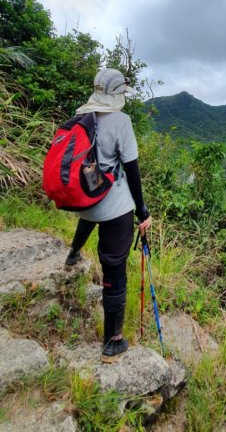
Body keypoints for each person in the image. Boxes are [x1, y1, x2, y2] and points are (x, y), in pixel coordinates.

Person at [65, 68, 151, 362]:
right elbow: (132, 169)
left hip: (85, 199)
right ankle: (112, 341)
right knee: (114, 267)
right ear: (116, 94)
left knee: (89, 218)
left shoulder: (80, 117)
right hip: (114, 205)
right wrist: (142, 211)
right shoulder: (121, 121)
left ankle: (73, 253)